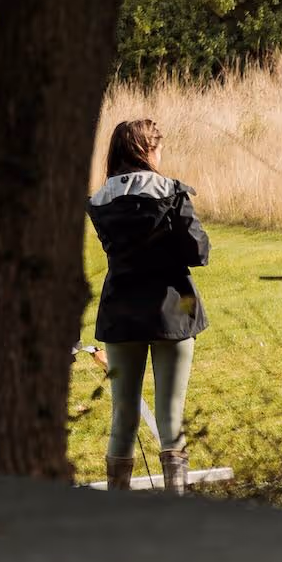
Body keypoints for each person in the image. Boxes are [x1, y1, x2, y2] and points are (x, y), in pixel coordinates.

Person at [87, 119, 210, 495]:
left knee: (122, 417)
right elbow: (198, 252)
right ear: (147, 150)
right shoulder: (172, 192)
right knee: (171, 419)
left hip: (120, 310)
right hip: (171, 307)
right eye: (157, 148)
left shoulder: (99, 200)